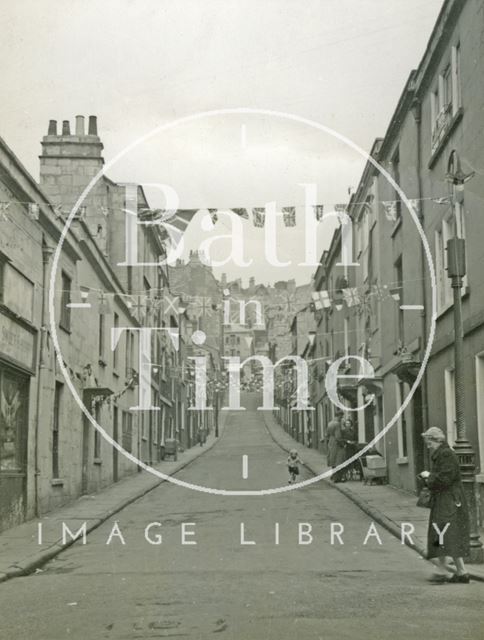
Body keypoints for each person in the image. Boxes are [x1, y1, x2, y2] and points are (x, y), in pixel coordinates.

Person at [419, 427, 470, 584]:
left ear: (437, 441)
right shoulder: (442, 454)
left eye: (429, 443)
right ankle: (461, 572)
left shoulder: (446, 454)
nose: (428, 447)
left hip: (449, 500)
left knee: (441, 532)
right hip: (446, 499)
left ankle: (443, 571)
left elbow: (444, 480)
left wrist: (429, 477)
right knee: (446, 534)